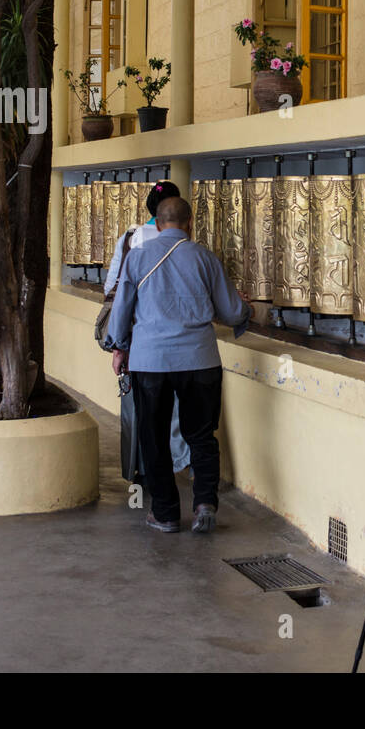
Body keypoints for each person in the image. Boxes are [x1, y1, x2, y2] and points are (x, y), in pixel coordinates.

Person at [107, 196, 252, 534]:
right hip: (199, 360)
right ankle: (204, 504)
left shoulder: (138, 258)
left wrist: (119, 349)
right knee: (201, 435)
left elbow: (121, 313)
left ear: (157, 225)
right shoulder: (205, 259)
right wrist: (249, 312)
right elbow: (231, 312)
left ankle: (166, 513)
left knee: (153, 436)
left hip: (150, 361)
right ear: (190, 222)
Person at [105, 180, 190, 479]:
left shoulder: (131, 238)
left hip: (142, 345)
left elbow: (114, 292)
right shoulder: (190, 247)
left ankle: (146, 473)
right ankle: (182, 463)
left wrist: (119, 346)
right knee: (179, 412)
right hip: (187, 348)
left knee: (146, 411)